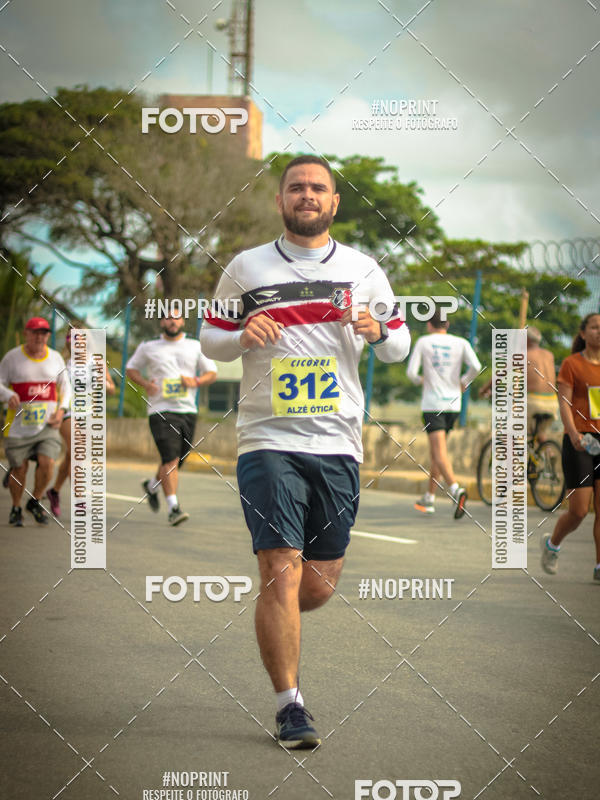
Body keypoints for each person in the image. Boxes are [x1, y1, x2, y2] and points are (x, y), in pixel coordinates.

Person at [200, 154, 411, 749]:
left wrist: (378, 331)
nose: (307, 195)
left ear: (334, 202)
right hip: (267, 438)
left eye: (318, 187)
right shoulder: (247, 267)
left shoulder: (364, 270)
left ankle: (281, 609)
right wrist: (242, 334)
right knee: (279, 569)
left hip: (338, 442)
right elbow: (211, 338)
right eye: (296, 187)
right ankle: (289, 705)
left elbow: (399, 344)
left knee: (315, 586)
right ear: (281, 200)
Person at [126, 311, 217, 525]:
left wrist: (196, 381)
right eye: (167, 318)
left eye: (176, 317)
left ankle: (151, 486)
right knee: (170, 459)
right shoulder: (149, 346)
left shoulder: (195, 345)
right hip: (160, 410)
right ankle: (173, 508)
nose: (172, 321)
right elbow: (131, 369)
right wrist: (146, 384)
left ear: (182, 321)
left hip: (187, 411)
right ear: (161, 322)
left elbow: (212, 373)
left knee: (177, 460)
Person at [541, 312, 600, 582]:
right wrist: (574, 433)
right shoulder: (572, 364)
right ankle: (552, 544)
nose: (599, 331)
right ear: (583, 333)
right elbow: (563, 403)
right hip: (580, 441)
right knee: (579, 510)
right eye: (594, 327)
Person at [407, 309, 481, 517]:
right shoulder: (461, 343)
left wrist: (421, 381)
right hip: (453, 406)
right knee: (437, 454)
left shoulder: (424, 342)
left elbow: (411, 373)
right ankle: (429, 498)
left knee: (439, 453)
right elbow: (476, 366)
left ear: (429, 325)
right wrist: (464, 381)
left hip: (433, 405)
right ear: (447, 325)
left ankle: (456, 490)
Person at [0, 316, 71, 526]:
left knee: (48, 463)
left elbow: (66, 387)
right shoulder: (12, 358)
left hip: (47, 425)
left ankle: (35, 500)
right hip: (18, 427)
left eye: (44, 333)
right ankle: (16, 507)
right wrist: (7, 394)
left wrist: (61, 410)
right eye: (35, 333)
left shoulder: (55, 358)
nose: (40, 337)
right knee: (19, 469)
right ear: (26, 334)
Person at [46, 328, 116, 517]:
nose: (78, 342)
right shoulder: (62, 364)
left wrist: (104, 383)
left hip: (88, 415)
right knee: (78, 452)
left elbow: (112, 389)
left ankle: (54, 491)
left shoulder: (97, 362)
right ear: (69, 342)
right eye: (74, 338)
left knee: (71, 455)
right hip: (68, 413)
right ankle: (80, 502)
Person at [525, 325, 558, 442]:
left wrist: (484, 389)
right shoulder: (549, 355)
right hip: (552, 403)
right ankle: (546, 450)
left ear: (527, 339)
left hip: (534, 402)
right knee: (540, 433)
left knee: (512, 428)